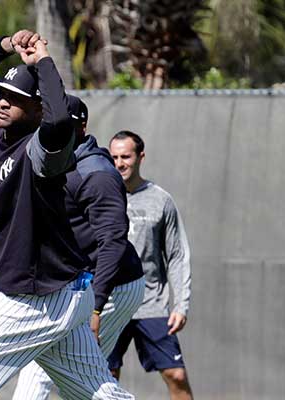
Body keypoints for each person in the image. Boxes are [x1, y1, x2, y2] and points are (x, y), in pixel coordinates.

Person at [0, 30, 134, 399]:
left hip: (41, 295)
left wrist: (42, 60)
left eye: (18, 99)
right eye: (4, 95)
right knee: (97, 393)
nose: (5, 103)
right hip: (62, 290)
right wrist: (10, 44)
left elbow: (57, 123)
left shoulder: (42, 155)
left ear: (39, 108)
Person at [12, 96, 145, 400]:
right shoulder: (60, 163)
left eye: (63, 126)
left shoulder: (96, 173)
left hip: (112, 286)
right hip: (79, 284)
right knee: (77, 378)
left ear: (82, 127)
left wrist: (96, 306)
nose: (54, 132)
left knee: (59, 374)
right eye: (49, 126)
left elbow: (113, 242)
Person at [107, 131, 194, 400]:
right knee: (106, 377)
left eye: (126, 157)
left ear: (140, 157)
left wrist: (180, 305)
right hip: (109, 304)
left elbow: (177, 255)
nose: (119, 163)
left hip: (151, 304)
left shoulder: (161, 200)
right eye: (114, 157)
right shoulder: (101, 194)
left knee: (176, 375)